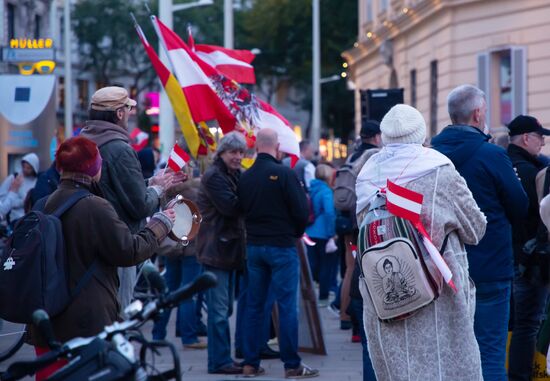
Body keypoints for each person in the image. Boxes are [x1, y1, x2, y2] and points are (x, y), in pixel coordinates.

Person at [27, 136, 175, 381]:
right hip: (86, 323)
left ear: (61, 168)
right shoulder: (95, 207)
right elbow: (129, 251)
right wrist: (160, 225)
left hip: (46, 320)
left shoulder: (42, 203)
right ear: (95, 169)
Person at [356, 104, 486, 380]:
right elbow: (475, 229)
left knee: (397, 370)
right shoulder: (439, 170)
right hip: (438, 293)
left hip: (384, 296)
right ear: (421, 133)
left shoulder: (366, 174)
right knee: (442, 368)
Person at [431, 85, 528, 381]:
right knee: (490, 351)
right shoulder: (492, 155)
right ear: (477, 115)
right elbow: (520, 206)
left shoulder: (431, 156)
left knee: (449, 353)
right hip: (489, 266)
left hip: (441, 269)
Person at [80, 86, 177, 310]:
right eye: (128, 109)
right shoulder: (119, 148)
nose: (131, 114)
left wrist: (150, 183)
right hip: (119, 243)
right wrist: (159, 189)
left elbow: (115, 190)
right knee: (117, 313)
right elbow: (139, 206)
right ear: (120, 113)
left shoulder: (84, 141)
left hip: (85, 240)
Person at [239, 128, 319, 378]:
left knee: (254, 305)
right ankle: (291, 364)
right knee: (287, 306)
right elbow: (301, 210)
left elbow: (240, 209)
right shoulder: (284, 173)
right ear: (277, 147)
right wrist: (295, 233)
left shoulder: (246, 176)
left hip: (254, 246)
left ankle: (250, 363)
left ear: (255, 146)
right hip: (282, 246)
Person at [196, 132, 247, 375]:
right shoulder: (214, 176)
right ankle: (219, 362)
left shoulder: (234, 174)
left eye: (240, 152)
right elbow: (231, 206)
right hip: (216, 249)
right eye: (233, 152)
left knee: (224, 309)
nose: (237, 157)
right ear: (222, 153)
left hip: (228, 249)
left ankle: (222, 357)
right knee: (218, 311)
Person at [506, 114, 550, 381]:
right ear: (526, 138)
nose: (543, 143)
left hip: (507, 254)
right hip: (528, 258)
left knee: (514, 321)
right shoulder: (531, 172)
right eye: (539, 137)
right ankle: (521, 375)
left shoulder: (504, 163)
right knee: (528, 323)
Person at [152, 175, 206, 350]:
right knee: (187, 292)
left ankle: (157, 335)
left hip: (171, 248)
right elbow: (200, 219)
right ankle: (189, 337)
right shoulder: (193, 192)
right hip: (191, 247)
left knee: (167, 292)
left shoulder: (164, 194)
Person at [305, 164, 336, 306]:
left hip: (310, 231)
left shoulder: (311, 188)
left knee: (313, 264)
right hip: (324, 233)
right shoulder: (326, 191)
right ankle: (323, 297)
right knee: (326, 265)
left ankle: (309, 294)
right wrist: (332, 233)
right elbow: (329, 212)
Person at [0, 153, 39, 224]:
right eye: (24, 166)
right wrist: (20, 202)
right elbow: (2, 200)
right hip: (14, 219)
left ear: (34, 168)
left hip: (31, 219)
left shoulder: (37, 182)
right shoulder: (14, 178)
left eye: (28, 168)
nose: (25, 170)